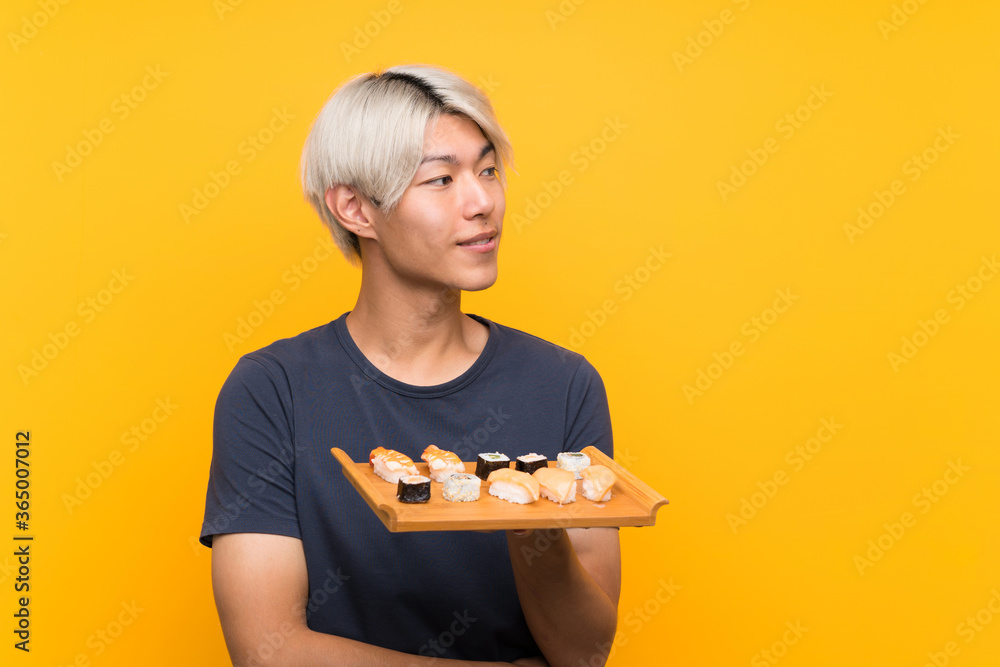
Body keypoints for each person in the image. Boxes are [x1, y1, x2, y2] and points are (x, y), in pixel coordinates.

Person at [200, 64, 620, 667]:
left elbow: (583, 656)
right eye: (441, 179)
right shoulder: (272, 390)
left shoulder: (564, 384)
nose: (483, 203)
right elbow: (268, 652)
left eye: (488, 171)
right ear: (356, 209)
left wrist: (533, 522)